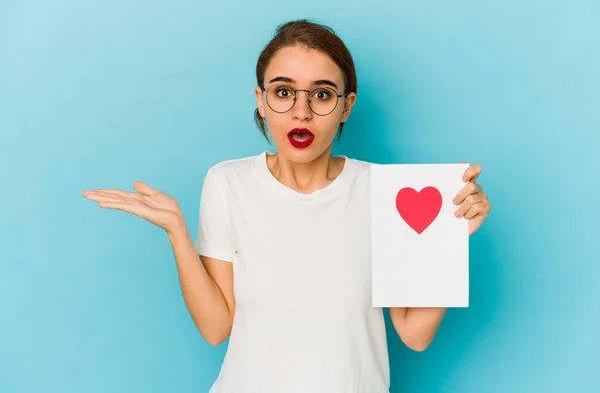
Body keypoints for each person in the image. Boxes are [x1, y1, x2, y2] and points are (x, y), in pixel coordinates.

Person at [82, 19, 491, 393]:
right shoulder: (228, 182)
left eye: (321, 94)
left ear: (346, 105)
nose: (301, 111)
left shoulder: (387, 192)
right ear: (261, 100)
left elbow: (414, 335)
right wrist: (177, 231)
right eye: (283, 92)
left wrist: (448, 238)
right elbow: (215, 327)